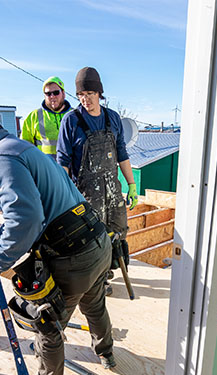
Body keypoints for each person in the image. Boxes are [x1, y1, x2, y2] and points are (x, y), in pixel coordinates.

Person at [0, 103, 116, 375]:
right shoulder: (22, 148)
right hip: (96, 241)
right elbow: (30, 213)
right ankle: (106, 352)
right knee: (94, 303)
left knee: (47, 323)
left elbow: (26, 221)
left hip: (72, 256)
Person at [56, 67, 138, 296]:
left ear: (99, 93)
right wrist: (63, 196)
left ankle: (108, 271)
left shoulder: (112, 118)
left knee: (118, 233)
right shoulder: (71, 121)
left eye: (90, 94)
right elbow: (63, 162)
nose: (86, 100)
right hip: (86, 195)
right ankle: (97, 282)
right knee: (93, 240)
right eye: (81, 95)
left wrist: (132, 185)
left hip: (112, 191)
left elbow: (122, 153)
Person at [20, 76, 71, 158]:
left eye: (56, 92)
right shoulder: (34, 116)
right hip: (44, 164)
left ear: (63, 93)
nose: (52, 96)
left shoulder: (75, 115)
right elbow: (24, 146)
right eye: (48, 94)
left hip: (72, 164)